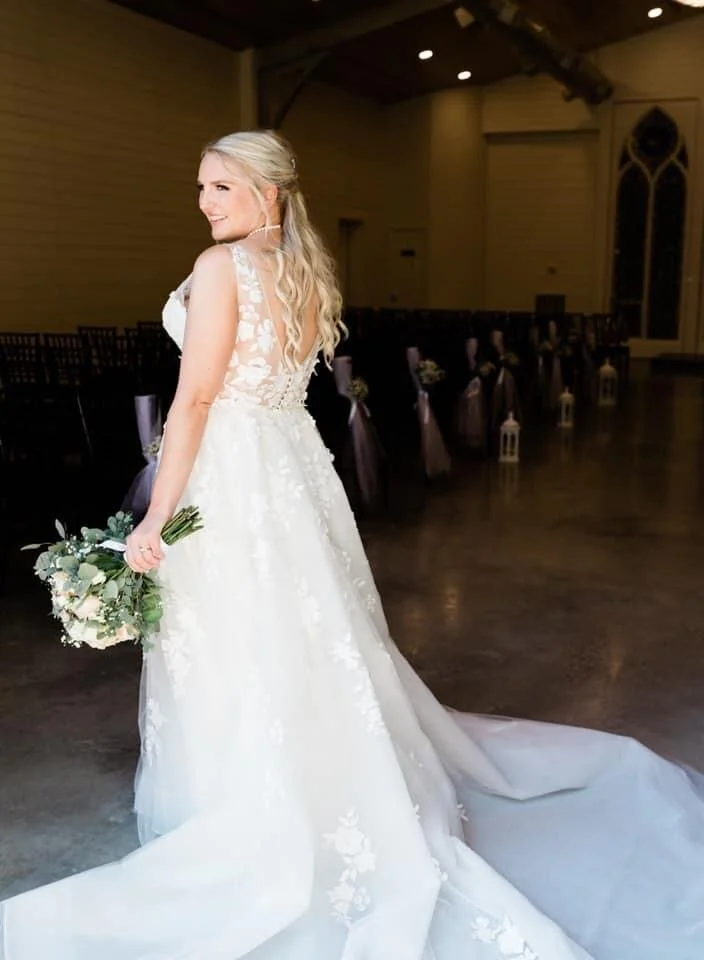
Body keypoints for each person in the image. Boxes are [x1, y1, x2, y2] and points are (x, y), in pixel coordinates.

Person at [1, 130, 703, 960]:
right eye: (200, 188)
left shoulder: (221, 267)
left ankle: (240, 806)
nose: (204, 202)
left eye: (221, 186)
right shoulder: (306, 272)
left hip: (234, 473)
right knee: (298, 633)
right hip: (292, 469)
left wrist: (155, 516)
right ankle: (316, 783)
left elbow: (193, 402)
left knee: (233, 634)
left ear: (268, 191)